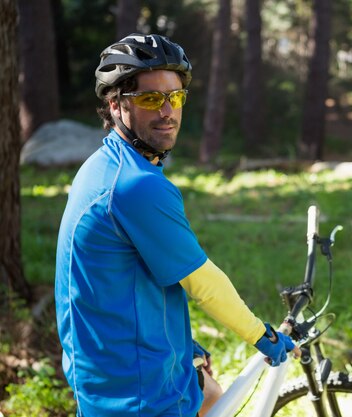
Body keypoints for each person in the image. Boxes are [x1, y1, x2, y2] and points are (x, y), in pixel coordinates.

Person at [55, 34, 295, 417]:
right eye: (151, 99)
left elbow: (118, 281)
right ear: (116, 105)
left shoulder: (106, 166)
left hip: (111, 363)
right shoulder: (135, 186)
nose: (168, 111)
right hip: (135, 393)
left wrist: (182, 342)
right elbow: (204, 282)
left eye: (176, 97)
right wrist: (262, 335)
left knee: (214, 396)